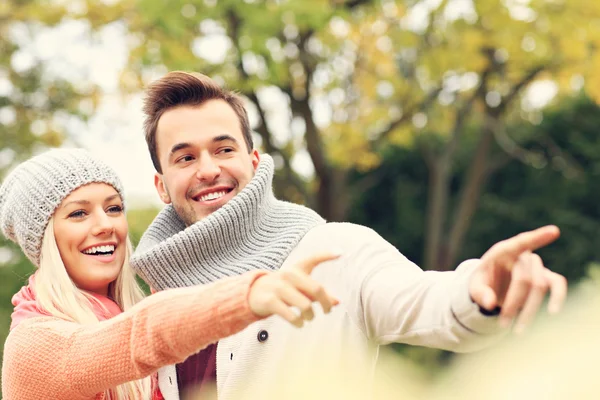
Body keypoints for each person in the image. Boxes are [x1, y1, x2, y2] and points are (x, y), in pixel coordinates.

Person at [130, 71, 568, 400]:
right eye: (184, 158)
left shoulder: (332, 250)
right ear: (161, 186)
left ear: (254, 159)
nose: (208, 169)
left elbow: (425, 302)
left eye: (224, 149)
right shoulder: (150, 302)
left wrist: (481, 287)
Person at [0, 148, 340, 400]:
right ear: (44, 239)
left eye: (114, 207)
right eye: (78, 214)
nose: (106, 225)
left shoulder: (122, 310)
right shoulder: (34, 345)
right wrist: (247, 295)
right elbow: (141, 334)